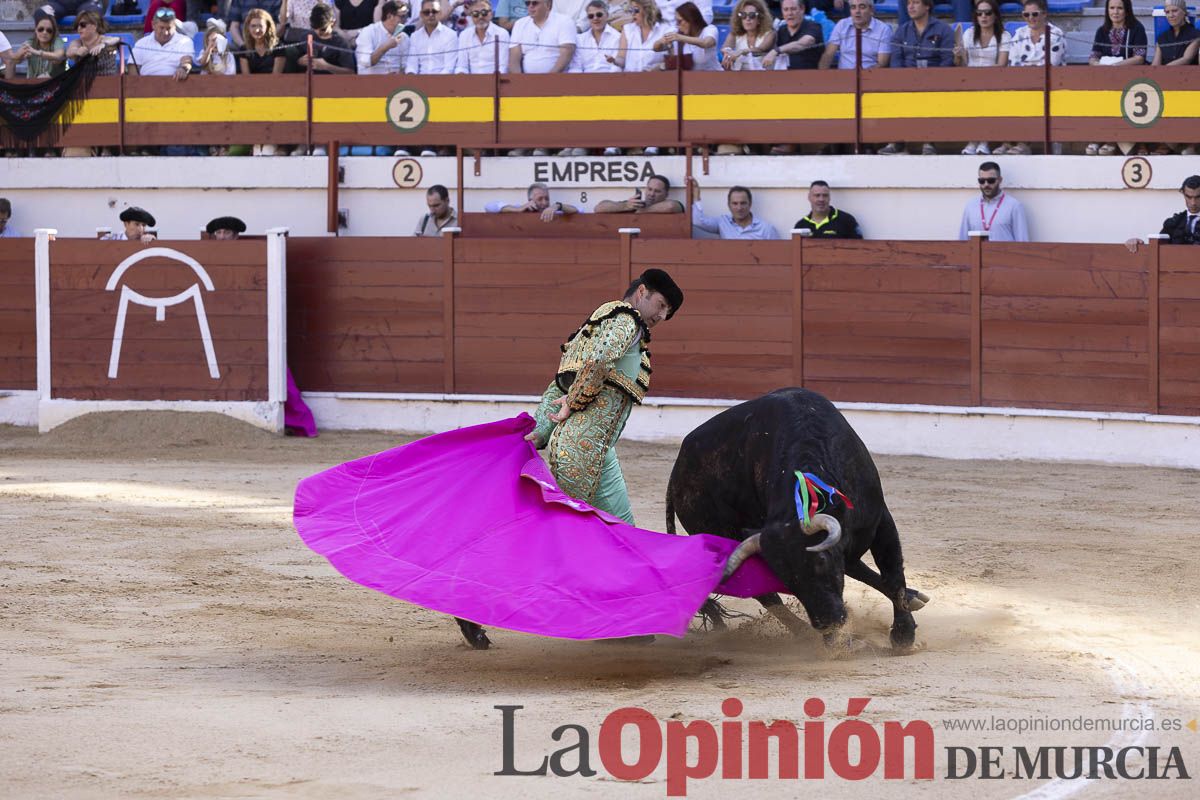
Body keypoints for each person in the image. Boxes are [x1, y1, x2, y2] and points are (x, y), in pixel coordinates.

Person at [523, 267, 684, 525]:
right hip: (583, 451)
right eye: (661, 305)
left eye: (668, 312)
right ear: (642, 292)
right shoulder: (626, 320)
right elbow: (599, 361)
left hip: (596, 449)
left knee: (621, 529)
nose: (663, 316)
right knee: (578, 529)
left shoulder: (599, 323)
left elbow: (561, 383)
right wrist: (572, 403)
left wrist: (542, 428)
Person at [880, 0, 953, 156]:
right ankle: (896, 141)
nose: (911, 7)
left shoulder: (943, 29)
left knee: (930, 96)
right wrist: (905, 82)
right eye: (908, 4)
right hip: (906, 81)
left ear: (927, 6)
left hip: (935, 82)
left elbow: (946, 61)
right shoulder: (901, 31)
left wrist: (933, 81)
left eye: (916, 3)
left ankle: (929, 141)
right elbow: (896, 62)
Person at [995, 0, 1062, 155]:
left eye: (1035, 14)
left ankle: (1023, 143)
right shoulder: (1020, 33)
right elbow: (1014, 62)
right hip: (1023, 82)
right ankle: (1008, 142)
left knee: (1029, 96)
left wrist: (1028, 71)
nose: (1030, 18)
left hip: (1050, 83)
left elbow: (1052, 63)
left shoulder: (1055, 33)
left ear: (1044, 14)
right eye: (1026, 14)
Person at [1085, 0, 1147, 157]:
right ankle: (1101, 137)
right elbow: (1093, 57)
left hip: (1131, 78)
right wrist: (1099, 66)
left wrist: (1116, 67)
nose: (1115, 12)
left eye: (1120, 8)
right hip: (1106, 79)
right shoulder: (1102, 30)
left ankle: (1115, 141)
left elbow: (1139, 57)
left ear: (1127, 10)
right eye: (1112, 8)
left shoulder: (1136, 29)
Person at [954, 0, 1011, 156]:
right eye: (979, 13)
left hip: (994, 81)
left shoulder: (1004, 35)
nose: (983, 17)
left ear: (995, 15)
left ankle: (982, 141)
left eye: (988, 13)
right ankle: (974, 141)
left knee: (986, 97)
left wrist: (979, 73)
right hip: (970, 80)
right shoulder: (969, 33)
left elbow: (1002, 65)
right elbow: (962, 66)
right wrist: (958, 56)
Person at [689, 177, 782, 240]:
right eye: (735, 203)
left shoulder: (766, 228)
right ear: (729, 205)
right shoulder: (722, 222)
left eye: (743, 203)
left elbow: (777, 254)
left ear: (750, 204)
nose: (739, 208)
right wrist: (696, 194)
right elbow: (698, 221)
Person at [957, 161, 1029, 242]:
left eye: (991, 180)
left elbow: (1022, 242)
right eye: (982, 181)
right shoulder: (970, 206)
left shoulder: (1014, 206)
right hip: (977, 254)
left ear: (1000, 180)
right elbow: (963, 241)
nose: (986, 184)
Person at [1125, 176, 1200, 251]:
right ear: (1183, 194)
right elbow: (1158, 248)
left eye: (1198, 197)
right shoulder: (1174, 222)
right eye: (1189, 197)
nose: (1193, 203)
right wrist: (1138, 243)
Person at [819, 0, 892, 70]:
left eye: (862, 7)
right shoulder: (842, 25)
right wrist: (822, 77)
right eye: (853, 7)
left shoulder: (883, 29)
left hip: (871, 76)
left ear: (871, 10)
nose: (857, 11)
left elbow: (882, 63)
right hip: (844, 76)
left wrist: (861, 75)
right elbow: (828, 55)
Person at [509, 0, 576, 74]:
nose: (530, 6)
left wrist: (548, 78)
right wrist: (518, 80)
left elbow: (566, 53)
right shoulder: (519, 24)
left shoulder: (564, 21)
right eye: (527, 3)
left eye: (535, 3)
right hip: (526, 80)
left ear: (548, 5)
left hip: (558, 78)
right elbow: (514, 57)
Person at [131, 8, 194, 80]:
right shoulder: (141, 43)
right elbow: (133, 68)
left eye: (169, 28)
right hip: (146, 84)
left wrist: (183, 69)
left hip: (175, 83)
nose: (165, 32)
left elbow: (187, 60)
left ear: (175, 26)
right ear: (153, 25)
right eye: (161, 28)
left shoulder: (184, 41)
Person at [654, 1, 719, 71]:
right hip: (689, 79)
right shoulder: (677, 32)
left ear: (690, 19)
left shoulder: (709, 29)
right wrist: (662, 41)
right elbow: (656, 48)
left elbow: (706, 43)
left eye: (680, 21)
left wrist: (680, 37)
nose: (678, 25)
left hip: (712, 77)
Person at [6, 8, 68, 80]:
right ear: (36, 30)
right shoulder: (30, 42)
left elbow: (58, 56)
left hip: (53, 84)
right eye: (41, 29)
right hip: (33, 85)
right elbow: (15, 60)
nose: (44, 32)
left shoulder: (57, 41)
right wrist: (22, 56)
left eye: (49, 30)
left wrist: (36, 52)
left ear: (53, 32)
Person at [763, 0, 824, 72]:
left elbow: (802, 44)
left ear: (802, 9)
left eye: (793, 9)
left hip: (809, 77)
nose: (789, 13)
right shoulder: (780, 30)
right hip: (784, 77)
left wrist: (776, 51)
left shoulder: (813, 26)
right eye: (786, 9)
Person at [301, 3, 358, 74]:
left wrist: (326, 66)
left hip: (332, 82)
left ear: (332, 23)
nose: (318, 32)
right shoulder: (306, 37)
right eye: (315, 28)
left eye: (323, 29)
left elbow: (351, 72)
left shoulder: (340, 43)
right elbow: (294, 59)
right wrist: (300, 61)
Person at [455, 0, 509, 74]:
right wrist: (461, 74)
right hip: (471, 82)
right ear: (471, 16)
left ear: (491, 14)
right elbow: (462, 66)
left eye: (484, 13)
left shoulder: (502, 34)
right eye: (475, 14)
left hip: (495, 81)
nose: (480, 17)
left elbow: (503, 66)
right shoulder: (464, 35)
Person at [793, 181, 862, 238]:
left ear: (829, 198)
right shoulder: (801, 225)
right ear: (809, 197)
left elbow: (859, 248)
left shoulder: (846, 220)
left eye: (825, 195)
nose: (821, 199)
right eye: (817, 195)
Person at [356, 1, 409, 73]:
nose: (406, 20)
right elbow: (366, 62)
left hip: (395, 81)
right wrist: (385, 47)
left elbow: (405, 66)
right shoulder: (368, 32)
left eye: (406, 16)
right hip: (371, 80)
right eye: (402, 17)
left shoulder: (404, 37)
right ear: (389, 16)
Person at [619, 0, 672, 73]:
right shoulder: (627, 29)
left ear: (647, 10)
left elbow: (673, 60)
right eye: (631, 10)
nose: (633, 14)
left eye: (636, 10)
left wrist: (658, 67)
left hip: (655, 79)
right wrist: (614, 61)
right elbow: (621, 58)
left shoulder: (666, 30)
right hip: (629, 79)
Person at [570, 0, 622, 73]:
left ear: (607, 15)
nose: (595, 18)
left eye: (599, 14)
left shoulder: (617, 37)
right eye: (591, 16)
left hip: (609, 80)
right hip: (584, 80)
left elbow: (616, 67)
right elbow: (575, 66)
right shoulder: (580, 39)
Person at [66, 8, 121, 76]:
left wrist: (103, 45)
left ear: (94, 26)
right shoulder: (78, 42)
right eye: (77, 25)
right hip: (84, 82)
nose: (79, 28)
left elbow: (117, 39)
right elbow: (69, 52)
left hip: (107, 80)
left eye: (83, 25)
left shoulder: (103, 39)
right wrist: (77, 51)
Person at [407, 0, 458, 73]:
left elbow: (449, 68)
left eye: (434, 11)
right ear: (421, 15)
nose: (431, 15)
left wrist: (434, 83)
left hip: (443, 80)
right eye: (426, 12)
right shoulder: (415, 36)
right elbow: (411, 66)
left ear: (440, 13)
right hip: (419, 81)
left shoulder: (451, 35)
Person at [594, 175, 684, 214]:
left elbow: (671, 206)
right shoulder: (633, 204)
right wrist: (625, 206)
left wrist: (643, 210)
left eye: (657, 191)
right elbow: (599, 207)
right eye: (649, 189)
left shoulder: (671, 204)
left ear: (666, 194)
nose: (651, 194)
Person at [496, 182, 579, 221]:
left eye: (547, 198)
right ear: (530, 201)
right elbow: (490, 206)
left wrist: (557, 206)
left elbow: (578, 210)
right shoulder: (522, 208)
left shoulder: (555, 211)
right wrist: (518, 209)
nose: (545, 203)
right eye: (540, 199)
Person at [238, 8, 286, 75]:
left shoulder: (278, 47)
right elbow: (247, 78)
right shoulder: (243, 49)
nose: (257, 30)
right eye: (253, 26)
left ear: (267, 27)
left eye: (260, 26)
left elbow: (276, 77)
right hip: (251, 84)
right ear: (248, 28)